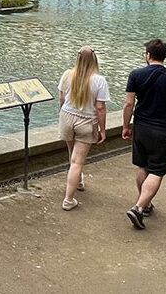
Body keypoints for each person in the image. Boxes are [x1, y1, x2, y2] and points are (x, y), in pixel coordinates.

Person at [121, 38, 166, 229]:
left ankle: (146, 204)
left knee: (143, 166)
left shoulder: (136, 75)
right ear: (164, 56)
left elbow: (129, 104)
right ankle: (139, 207)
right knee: (157, 171)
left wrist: (126, 126)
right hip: (164, 130)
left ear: (148, 55)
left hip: (141, 128)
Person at [58, 46, 109, 210]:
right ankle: (68, 199)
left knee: (72, 156)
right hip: (86, 121)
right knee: (77, 161)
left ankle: (78, 181)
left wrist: (64, 116)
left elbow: (61, 98)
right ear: (95, 60)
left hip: (66, 116)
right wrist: (102, 129)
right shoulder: (99, 80)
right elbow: (100, 107)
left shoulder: (67, 75)